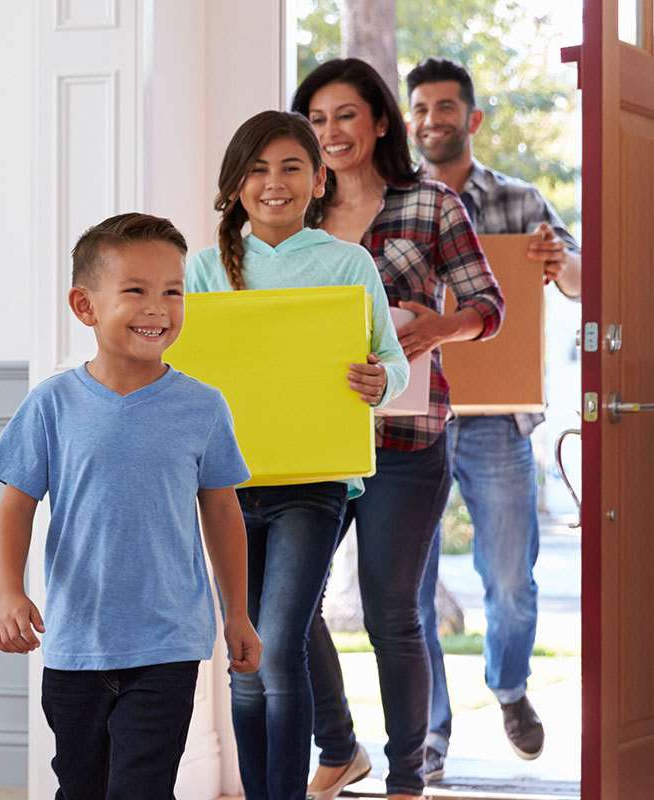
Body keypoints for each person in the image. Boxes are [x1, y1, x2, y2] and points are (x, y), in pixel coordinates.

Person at [0, 212, 260, 799]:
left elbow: (222, 514)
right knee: (81, 787)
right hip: (75, 644)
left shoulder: (203, 407)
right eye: (136, 290)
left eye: (173, 292)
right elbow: (15, 507)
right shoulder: (52, 404)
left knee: (142, 788)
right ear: (84, 305)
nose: (158, 308)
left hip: (169, 641)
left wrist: (236, 613)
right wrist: (9, 593)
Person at [293, 57, 507, 800]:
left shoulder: (432, 203)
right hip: (315, 440)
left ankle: (407, 780)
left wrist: (438, 328)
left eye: (345, 115)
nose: (331, 132)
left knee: (392, 614)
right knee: (288, 606)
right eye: (317, 120)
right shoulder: (297, 216)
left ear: (381, 120)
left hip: (407, 441)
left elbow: (489, 307)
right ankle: (339, 747)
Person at [188, 110, 411, 800]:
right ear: (236, 184)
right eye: (257, 169)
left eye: (290, 167)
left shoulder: (348, 263)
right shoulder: (202, 269)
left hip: (315, 482)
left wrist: (379, 380)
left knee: (279, 648)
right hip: (226, 489)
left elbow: (394, 363)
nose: (274, 183)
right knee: (246, 657)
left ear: (319, 181)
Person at [403, 56, 583, 780]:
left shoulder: (517, 199)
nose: (432, 120)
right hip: (413, 417)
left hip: (496, 418)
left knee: (510, 579)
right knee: (409, 588)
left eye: (446, 107)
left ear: (471, 118)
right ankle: (428, 730)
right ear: (409, 120)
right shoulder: (393, 204)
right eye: (421, 108)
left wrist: (555, 259)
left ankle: (509, 688)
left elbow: (580, 282)